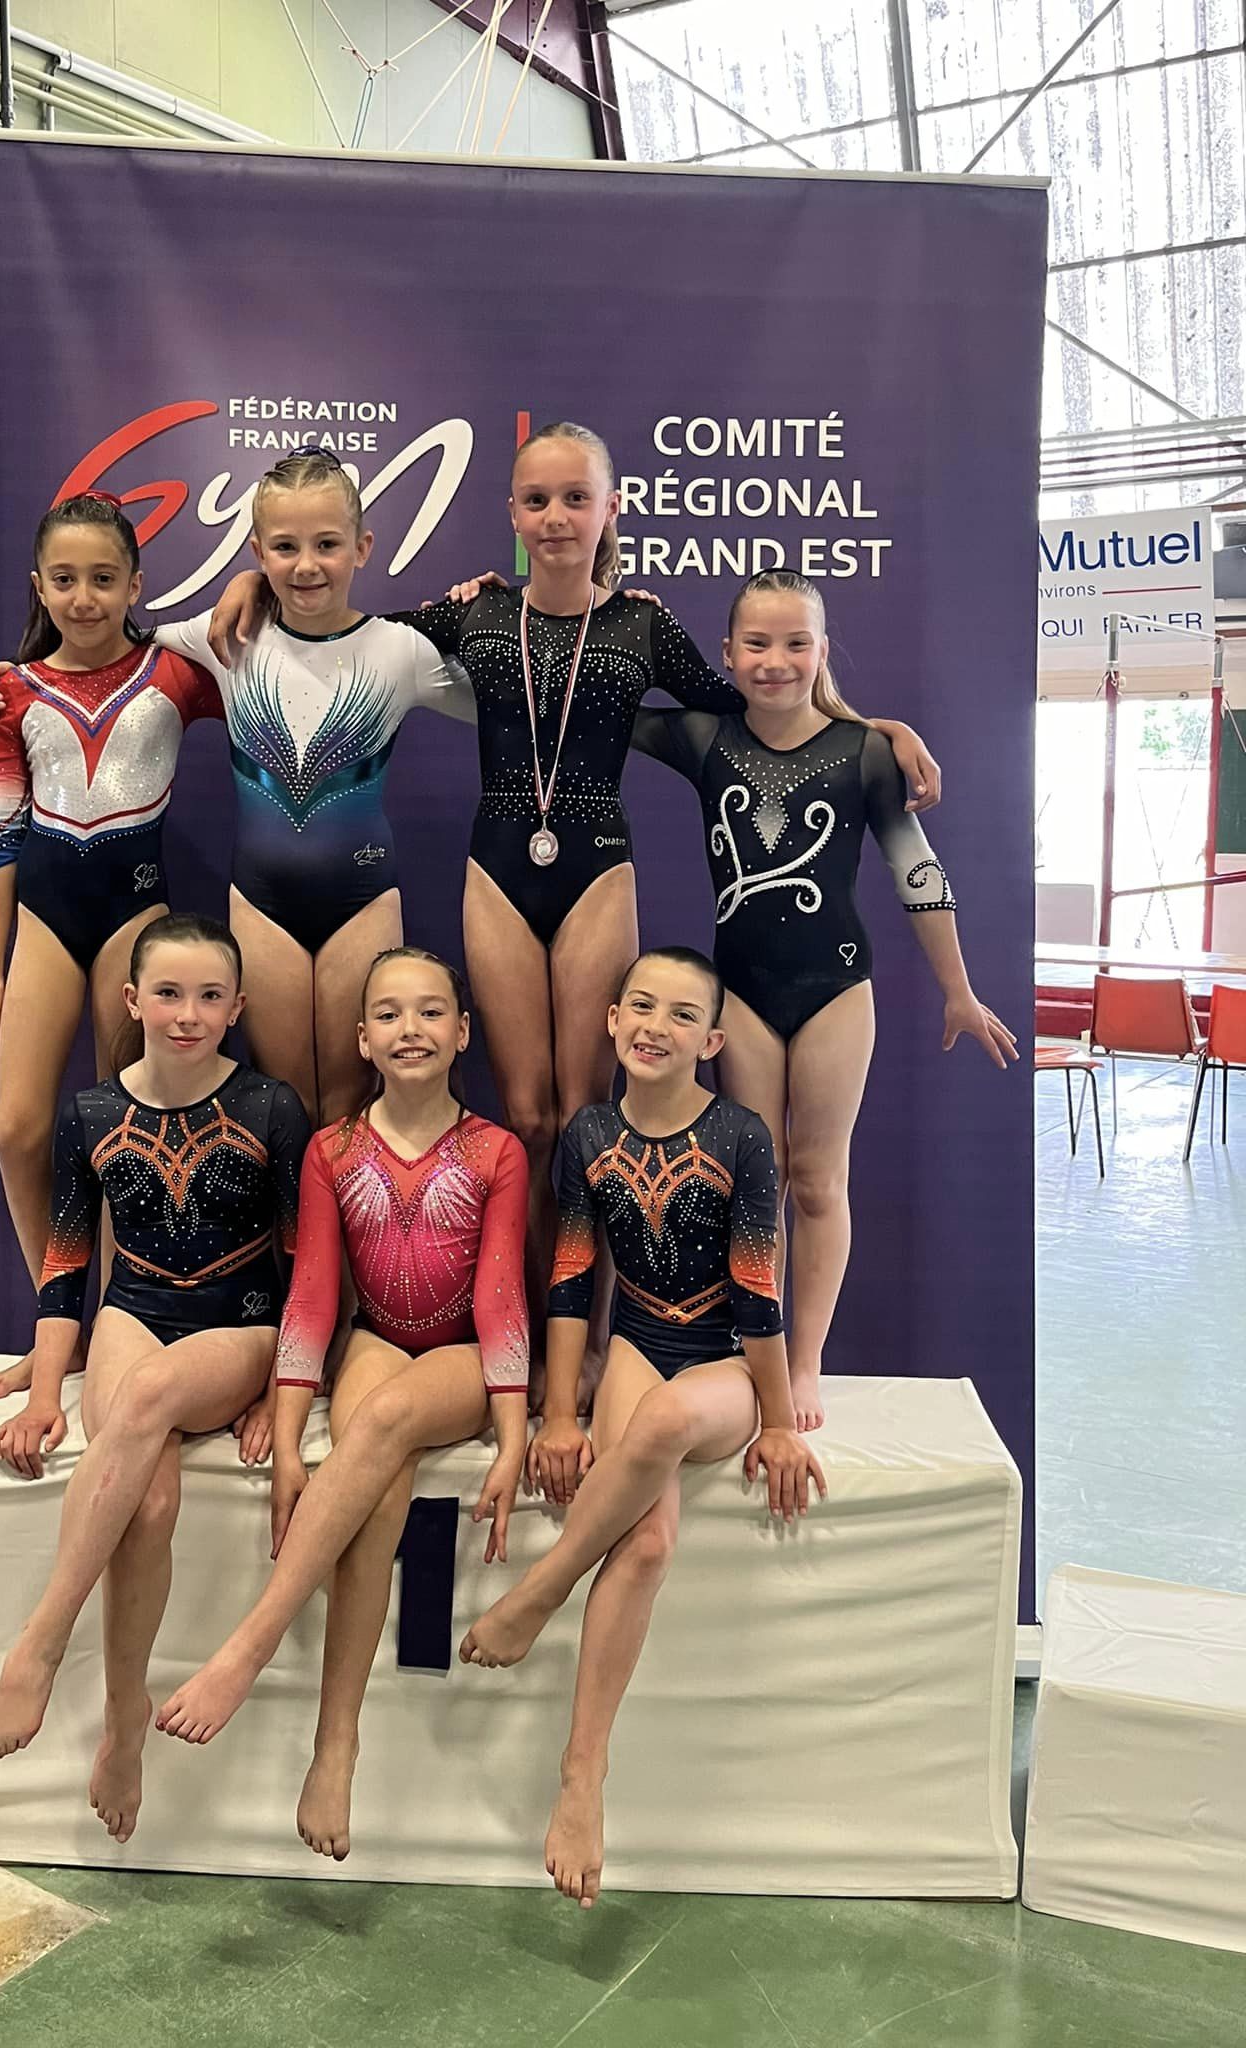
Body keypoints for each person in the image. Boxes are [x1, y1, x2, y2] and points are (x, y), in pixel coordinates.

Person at [203, 423, 939, 1316]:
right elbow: (342, 630)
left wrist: (869, 727)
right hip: (497, 870)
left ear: (610, 509)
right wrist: (251, 581)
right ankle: (517, 1321)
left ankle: (587, 1336)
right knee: (528, 1117)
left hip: (597, 870)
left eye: (576, 499)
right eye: (538, 500)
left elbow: (752, 707)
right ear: (512, 513)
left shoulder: (641, 623)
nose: (556, 517)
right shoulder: (475, 614)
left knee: (589, 1118)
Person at [458, 946, 826, 1908]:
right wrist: (561, 1410)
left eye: (683, 1014)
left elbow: (758, 1291)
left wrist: (776, 1421)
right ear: (613, 1020)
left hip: (726, 1365)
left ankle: (540, 1590)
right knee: (650, 1542)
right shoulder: (589, 1135)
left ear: (713, 1041)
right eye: (642, 1007)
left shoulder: (742, 1136)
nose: (657, 1026)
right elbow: (573, 1280)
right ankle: (583, 1774)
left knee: (663, 1418)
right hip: (637, 1344)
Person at [153, 947, 531, 1865]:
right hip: (376, 1341)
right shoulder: (332, 1150)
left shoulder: (497, 1151)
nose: (411, 1030)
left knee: (389, 1421)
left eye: (431, 1012)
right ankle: (337, 1743)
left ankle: (249, 1646)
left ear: (464, 1032)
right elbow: (314, 1299)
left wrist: (514, 1434)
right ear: (361, 1038)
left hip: (460, 1354)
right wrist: (288, 1442)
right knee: (374, 1456)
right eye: (390, 1014)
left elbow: (500, 1299)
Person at [0, 449, 476, 1130]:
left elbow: (512, 702)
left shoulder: (399, 649)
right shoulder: (223, 637)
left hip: (363, 897)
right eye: (284, 547)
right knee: (285, 1102)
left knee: (355, 1103)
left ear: (362, 547)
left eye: (327, 545)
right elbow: (109, 647)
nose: (307, 565)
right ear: (258, 550)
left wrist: (488, 610)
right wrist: (9, 685)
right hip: (261, 904)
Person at [633, 571, 1017, 1430]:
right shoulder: (703, 737)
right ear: (727, 654)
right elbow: (594, 706)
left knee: (816, 1180)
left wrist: (957, 988)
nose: (775, 661)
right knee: (758, 1179)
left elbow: (916, 869)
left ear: (822, 651)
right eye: (756, 645)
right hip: (744, 994)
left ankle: (805, 1361)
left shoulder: (865, 754)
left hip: (836, 989)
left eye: (795, 644)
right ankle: (761, 1352)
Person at [0, 913, 309, 1846]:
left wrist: (284, 1392)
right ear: (131, 1001)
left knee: (152, 1396)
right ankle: (126, 1718)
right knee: (149, 1500)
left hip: (239, 1321)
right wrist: (48, 1392)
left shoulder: (272, 1107)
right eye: (168, 994)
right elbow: (66, 1268)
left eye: (209, 997)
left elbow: (304, 1269)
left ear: (237, 1007)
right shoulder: (90, 1114)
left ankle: (40, 1644)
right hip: (133, 1312)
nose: (188, 1014)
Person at [0, 492, 223, 1396]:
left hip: (135, 912)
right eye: (66, 580)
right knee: (17, 1129)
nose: (84, 598)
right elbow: (2, 833)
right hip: (46, 913)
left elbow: (275, 668)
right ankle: (60, 1322)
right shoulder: (13, 691)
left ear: (136, 585)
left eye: (104, 579)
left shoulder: (175, 674)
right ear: (40, 586)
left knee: (127, 1136)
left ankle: (123, 1322)